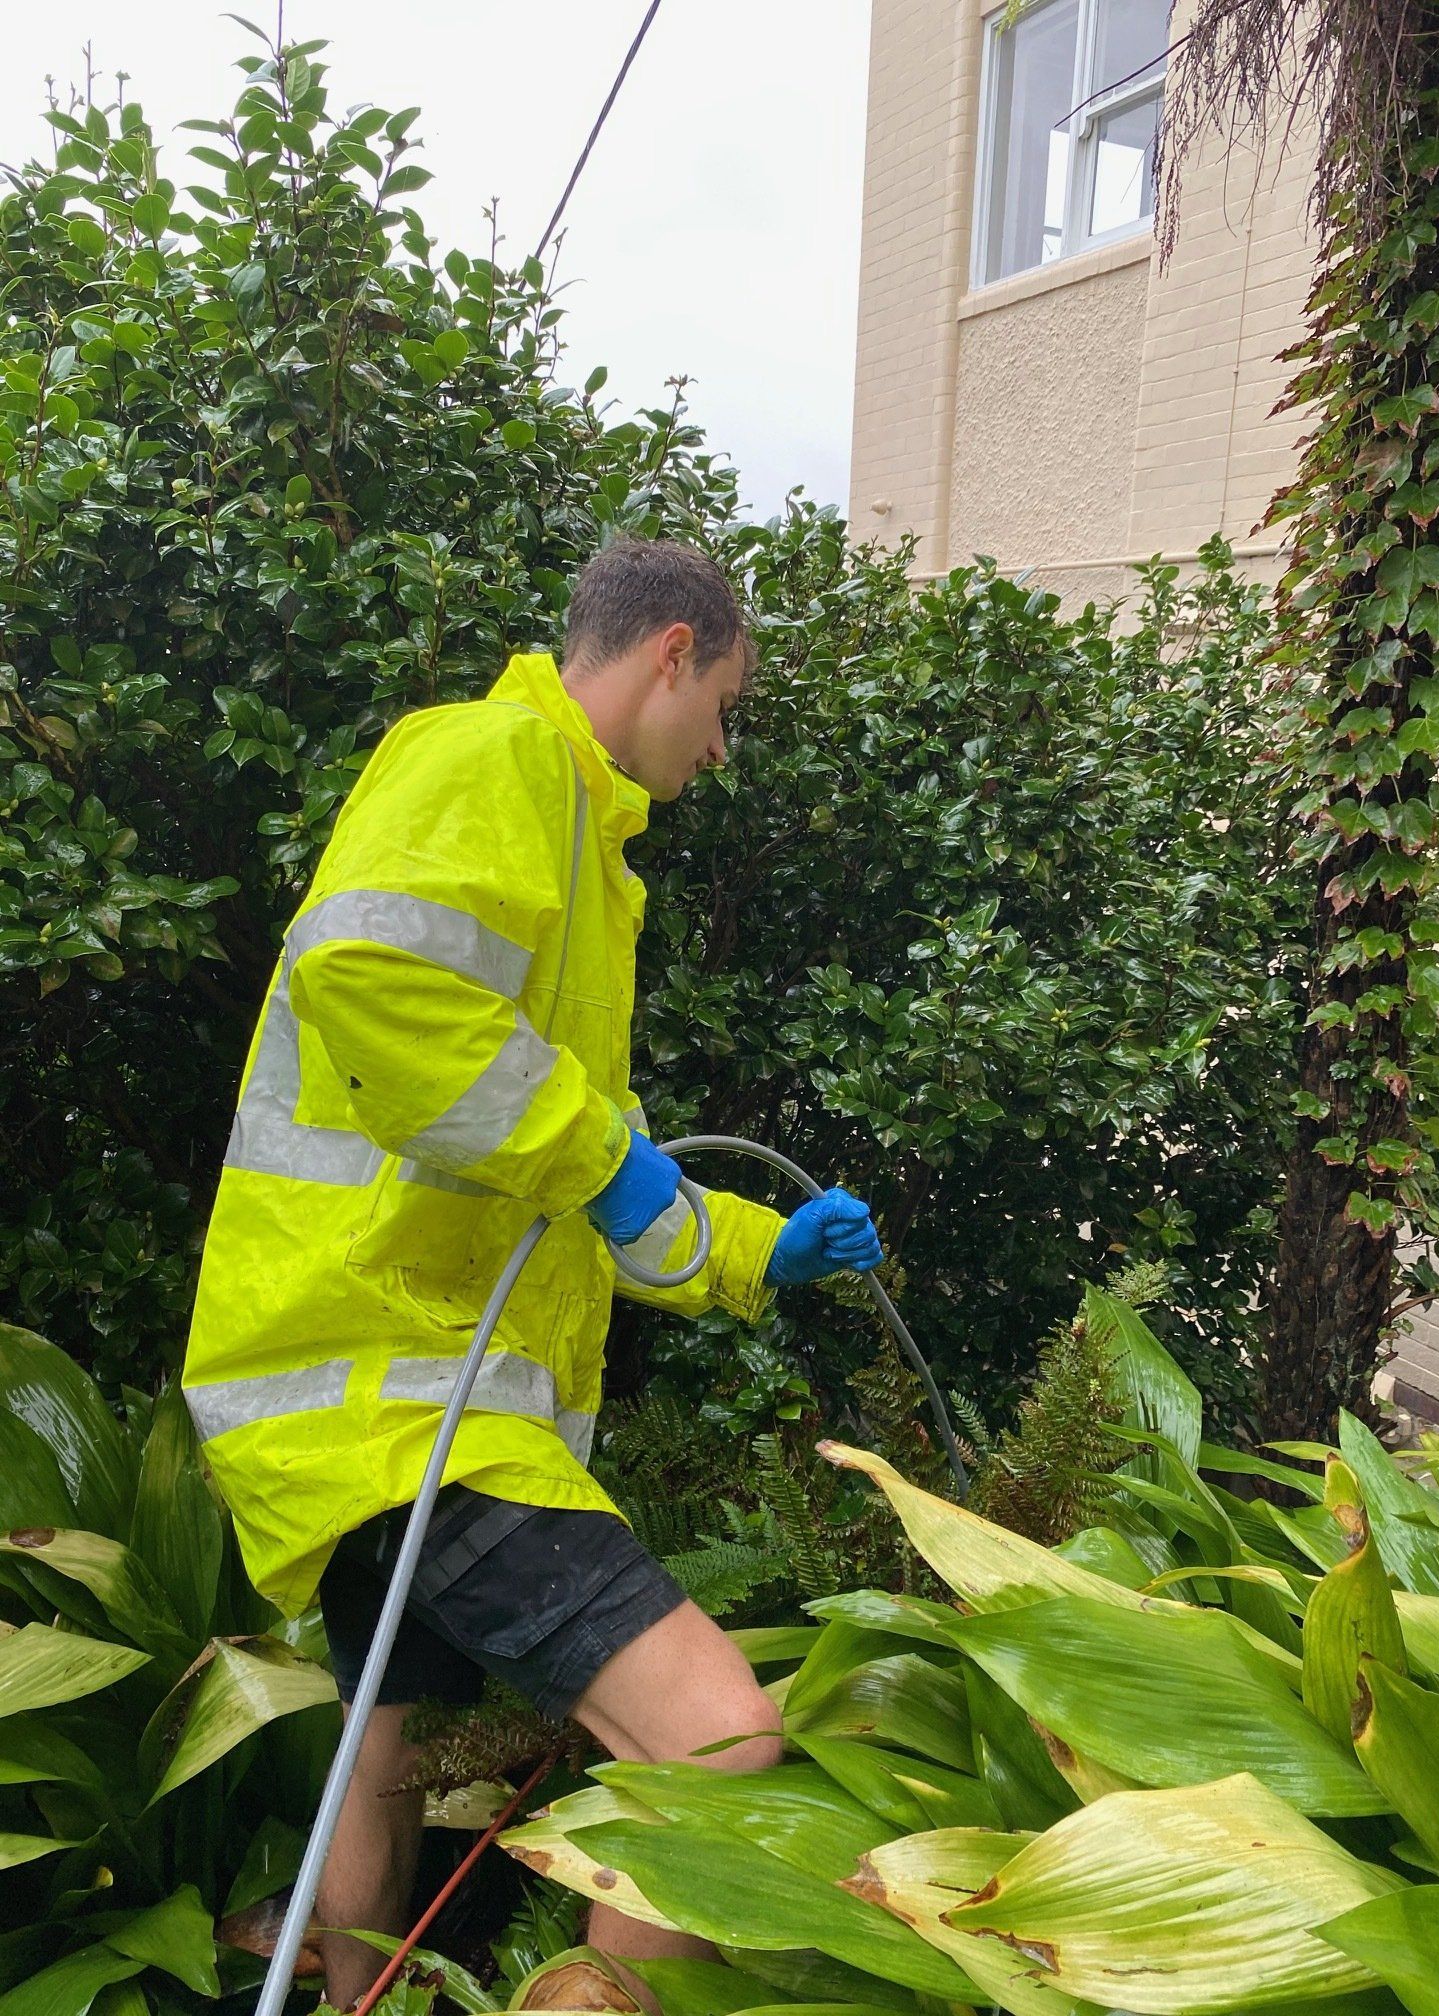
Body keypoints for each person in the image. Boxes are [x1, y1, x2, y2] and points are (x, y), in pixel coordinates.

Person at [183, 539, 884, 2009]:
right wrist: (605, 1158)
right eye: (728, 706)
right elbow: (374, 986)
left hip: (362, 1403)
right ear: (674, 653)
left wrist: (765, 1250)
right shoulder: (495, 756)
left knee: (385, 1762)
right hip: (405, 1398)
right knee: (719, 1737)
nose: (721, 747)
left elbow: (569, 1176)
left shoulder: (580, 849)